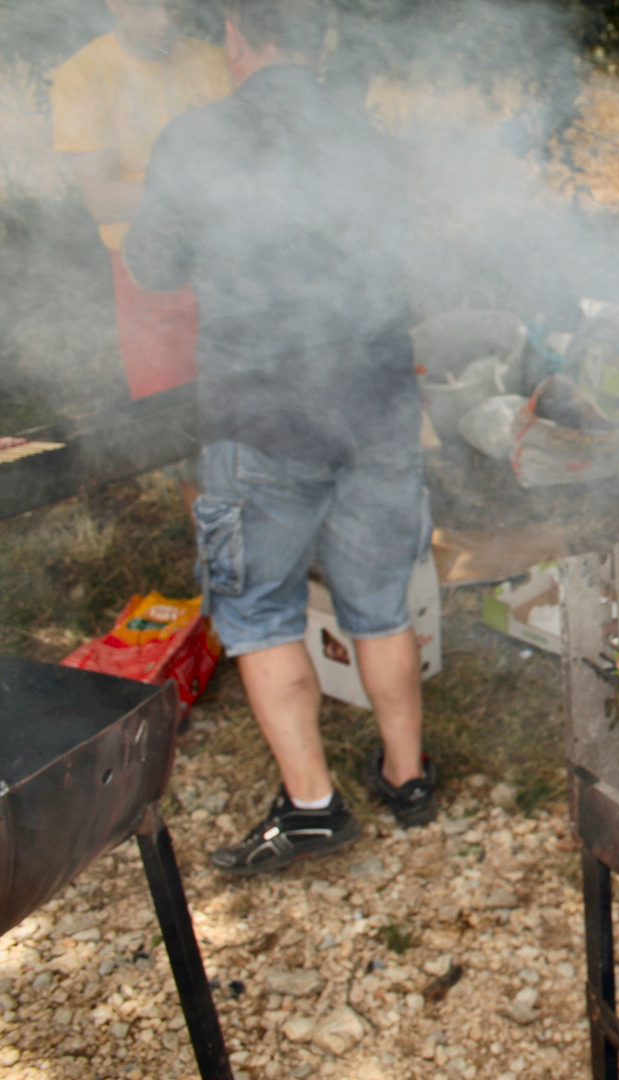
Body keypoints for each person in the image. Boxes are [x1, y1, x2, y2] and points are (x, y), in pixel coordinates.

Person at [124, 0, 438, 874]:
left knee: (261, 617)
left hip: (262, 418)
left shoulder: (197, 138)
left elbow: (152, 262)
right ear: (318, 42)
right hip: (376, 408)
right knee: (380, 602)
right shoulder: (373, 144)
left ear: (236, 36)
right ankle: (407, 779)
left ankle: (313, 808)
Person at [52, 0, 232, 401]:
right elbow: (102, 201)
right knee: (167, 420)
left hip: (227, 271)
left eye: (175, 8)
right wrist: (199, 186)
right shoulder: (83, 76)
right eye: (149, 7)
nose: (165, 22)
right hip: (146, 280)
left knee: (243, 412)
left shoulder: (216, 63)